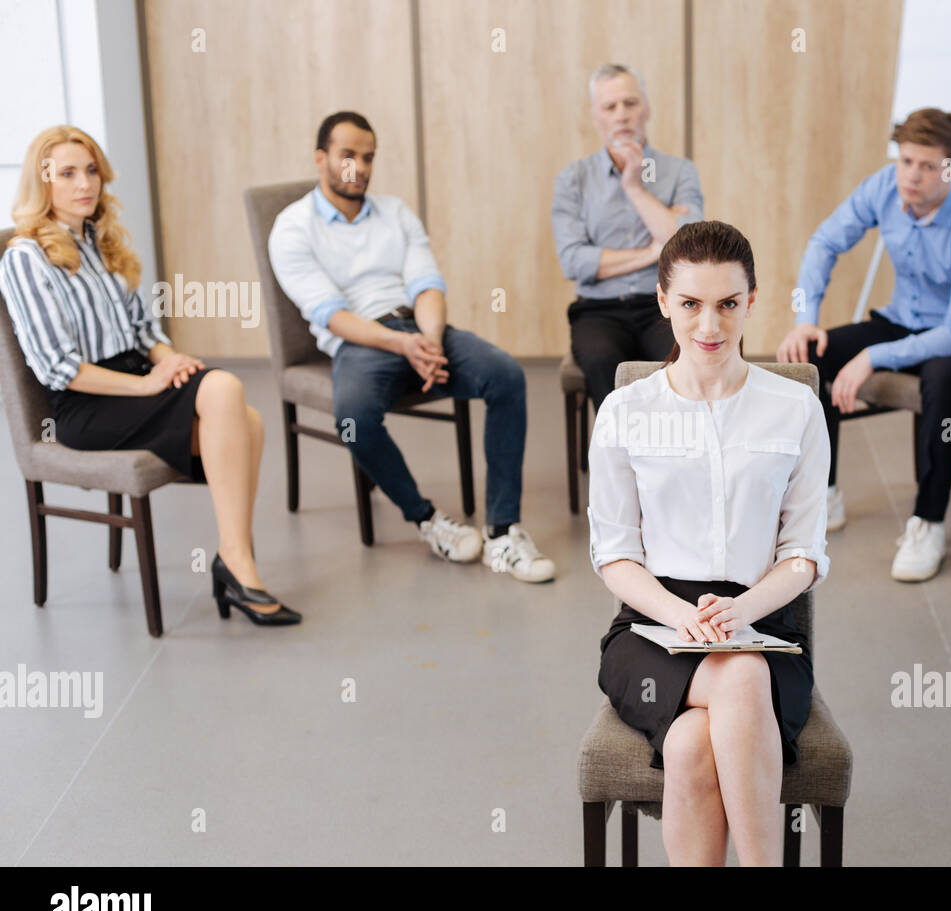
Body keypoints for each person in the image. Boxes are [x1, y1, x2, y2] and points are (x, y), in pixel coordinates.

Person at [588, 220, 829, 866]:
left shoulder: (797, 408)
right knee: (737, 678)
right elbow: (614, 554)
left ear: (752, 301)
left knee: (699, 737)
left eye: (728, 304)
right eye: (691, 304)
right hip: (651, 628)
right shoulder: (625, 412)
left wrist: (741, 611)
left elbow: (804, 554)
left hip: (764, 625)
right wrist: (681, 616)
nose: (710, 326)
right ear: (664, 302)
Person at [0, 126, 299, 625]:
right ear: (42, 181)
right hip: (87, 403)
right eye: (68, 173)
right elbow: (58, 367)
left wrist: (168, 360)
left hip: (136, 376)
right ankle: (239, 567)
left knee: (250, 424)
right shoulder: (25, 258)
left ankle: (233, 560)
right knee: (225, 388)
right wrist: (145, 384)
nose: (85, 184)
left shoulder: (96, 240)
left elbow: (142, 329)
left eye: (91, 170)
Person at [269, 111, 554, 583]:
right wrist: (402, 346)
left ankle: (502, 533)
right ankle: (426, 520)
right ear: (321, 158)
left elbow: (426, 284)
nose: (358, 167)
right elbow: (332, 314)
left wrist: (430, 341)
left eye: (367, 157)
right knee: (353, 420)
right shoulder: (292, 227)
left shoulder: (395, 212)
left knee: (505, 374)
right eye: (347, 155)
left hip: (420, 329)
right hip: (359, 342)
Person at [777, 108, 951, 582]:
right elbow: (823, 242)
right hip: (902, 321)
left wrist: (873, 358)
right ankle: (826, 493)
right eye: (905, 161)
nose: (911, 176)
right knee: (812, 358)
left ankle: (929, 523)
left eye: (926, 166)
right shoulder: (886, 185)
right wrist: (806, 320)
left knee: (941, 379)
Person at [552, 63, 704, 411]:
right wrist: (655, 251)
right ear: (596, 117)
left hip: (665, 303)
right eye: (609, 107)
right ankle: (623, 455)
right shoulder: (573, 179)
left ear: (646, 109)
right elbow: (574, 261)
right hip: (598, 309)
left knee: (681, 356)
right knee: (602, 359)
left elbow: (690, 248)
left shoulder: (679, 171)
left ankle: (676, 453)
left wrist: (635, 188)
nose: (621, 115)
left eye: (630, 103)